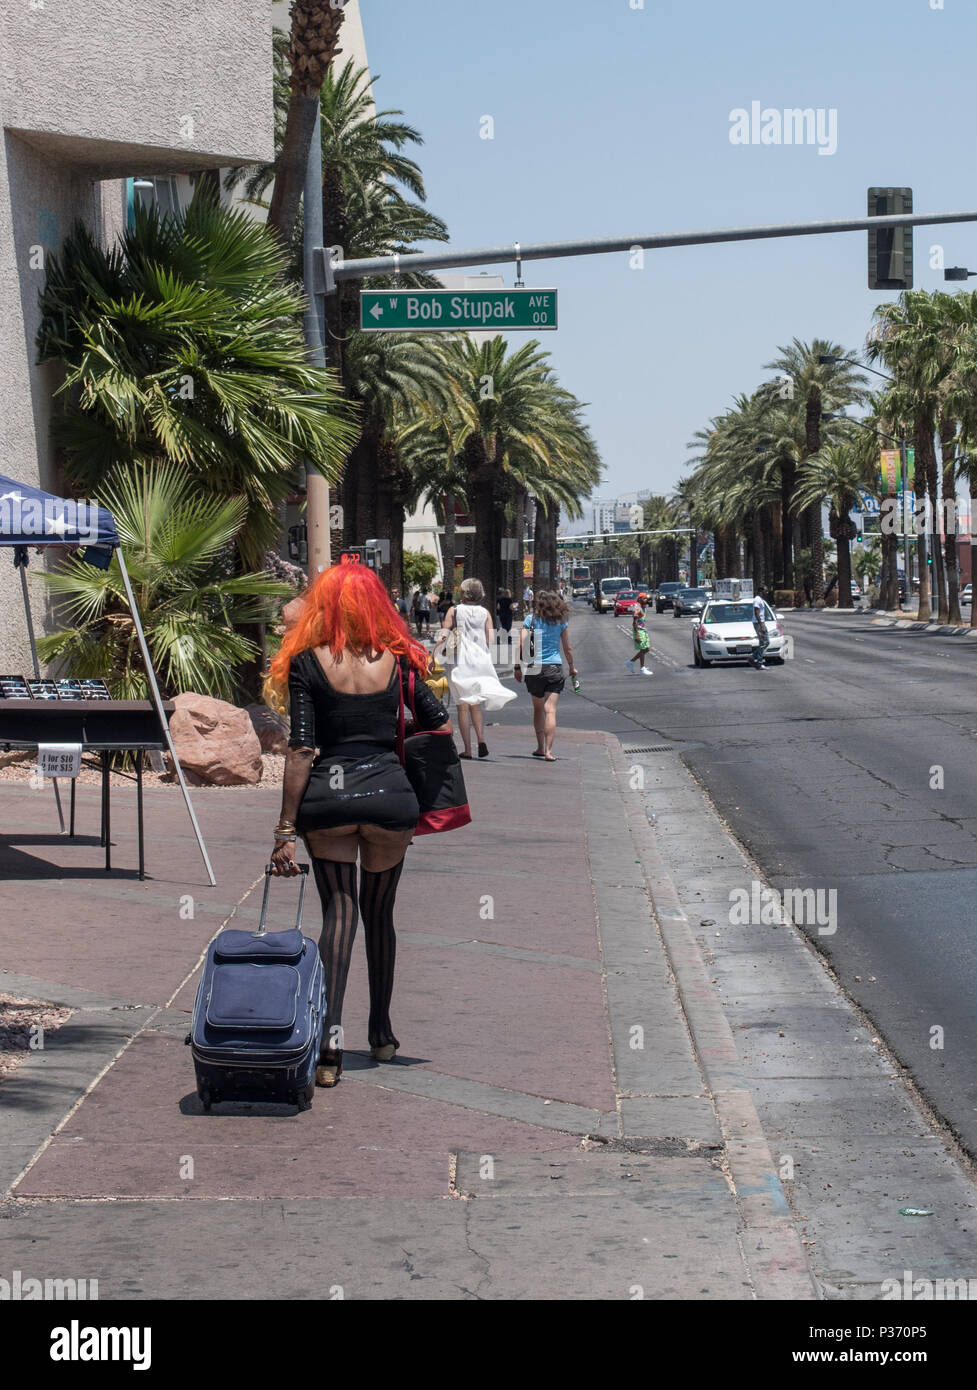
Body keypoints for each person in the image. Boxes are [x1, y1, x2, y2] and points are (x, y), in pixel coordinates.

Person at [266, 563, 452, 1088]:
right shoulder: (398, 660)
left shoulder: (307, 661)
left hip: (329, 797)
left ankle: (329, 1048)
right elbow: (436, 721)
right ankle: (382, 1034)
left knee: (338, 916)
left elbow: (301, 748)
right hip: (391, 798)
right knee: (380, 914)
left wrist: (284, 829)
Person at [438, 577, 516, 759]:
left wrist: (435, 652)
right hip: (481, 661)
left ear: (464, 593)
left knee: (462, 706)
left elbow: (444, 633)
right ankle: (481, 739)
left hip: (459, 662)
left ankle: (467, 749)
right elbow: (490, 639)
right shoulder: (485, 613)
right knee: (476, 705)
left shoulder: (454, 610)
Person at [515, 590, 576, 761]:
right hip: (554, 668)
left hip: (534, 668)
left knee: (538, 709)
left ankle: (540, 747)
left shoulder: (531, 620)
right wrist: (572, 667)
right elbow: (567, 648)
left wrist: (517, 667)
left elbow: (522, 644)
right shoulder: (560, 622)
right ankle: (549, 751)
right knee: (551, 711)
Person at [625, 594, 653, 675]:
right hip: (639, 630)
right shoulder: (637, 607)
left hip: (643, 630)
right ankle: (642, 669)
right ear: (639, 599)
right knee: (642, 649)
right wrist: (637, 634)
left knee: (646, 649)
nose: (646, 600)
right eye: (644, 598)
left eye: (646, 599)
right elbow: (635, 621)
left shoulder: (642, 606)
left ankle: (631, 662)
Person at [751, 591, 770, 669]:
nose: (767, 592)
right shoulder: (757, 600)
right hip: (759, 623)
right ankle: (759, 663)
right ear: (761, 591)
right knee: (764, 642)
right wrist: (761, 625)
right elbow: (756, 612)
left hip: (760, 623)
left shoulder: (760, 599)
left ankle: (753, 657)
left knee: (764, 642)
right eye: (765, 591)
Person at [496, 587, 514, 656]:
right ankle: (509, 641)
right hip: (508, 615)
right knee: (508, 628)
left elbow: (498, 607)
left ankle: (503, 640)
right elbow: (511, 607)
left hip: (502, 615)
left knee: (503, 628)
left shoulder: (500, 600)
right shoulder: (509, 600)